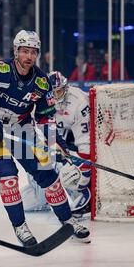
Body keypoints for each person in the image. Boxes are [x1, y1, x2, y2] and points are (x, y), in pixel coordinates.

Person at [0, 30, 90, 247]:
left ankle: (68, 220)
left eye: (33, 52)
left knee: (49, 175)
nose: (29, 56)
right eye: (24, 51)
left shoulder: (42, 82)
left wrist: (54, 143)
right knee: (7, 176)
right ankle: (20, 226)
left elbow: (46, 118)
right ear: (16, 51)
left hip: (23, 132)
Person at [21, 71, 91, 219]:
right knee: (35, 166)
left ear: (66, 87)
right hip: (55, 136)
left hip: (76, 141)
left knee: (66, 169)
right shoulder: (37, 98)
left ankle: (81, 191)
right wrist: (52, 147)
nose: (55, 96)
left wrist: (83, 179)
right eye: (51, 93)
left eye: (58, 91)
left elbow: (86, 142)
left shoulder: (79, 102)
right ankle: (43, 195)